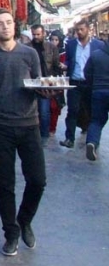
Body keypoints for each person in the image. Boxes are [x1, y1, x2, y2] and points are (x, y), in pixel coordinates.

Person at [0, 8, 46, 257]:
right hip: (1, 127)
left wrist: (47, 90)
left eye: (9, 22)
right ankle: (11, 233)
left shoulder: (29, 54)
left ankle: (24, 219)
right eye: (0, 24)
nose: (5, 27)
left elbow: (40, 84)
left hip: (29, 124)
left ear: (14, 25)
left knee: (37, 180)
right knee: (4, 184)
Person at [60, 20, 106, 148]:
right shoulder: (71, 44)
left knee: (92, 111)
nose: (79, 32)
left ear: (88, 30)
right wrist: (65, 66)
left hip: (91, 83)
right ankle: (69, 138)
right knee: (72, 110)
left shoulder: (98, 45)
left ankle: (92, 141)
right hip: (75, 82)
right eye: (77, 30)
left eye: (82, 29)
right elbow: (69, 60)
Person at [30, 24, 62, 144]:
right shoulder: (27, 47)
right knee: (32, 111)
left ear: (43, 34)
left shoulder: (51, 48)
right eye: (34, 34)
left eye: (38, 34)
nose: (36, 36)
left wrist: (56, 85)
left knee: (44, 111)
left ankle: (44, 136)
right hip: (32, 82)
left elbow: (56, 66)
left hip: (46, 82)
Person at [83, 45, 109, 161]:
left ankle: (92, 142)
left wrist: (93, 86)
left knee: (96, 120)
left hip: (98, 91)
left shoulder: (95, 54)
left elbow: (87, 72)